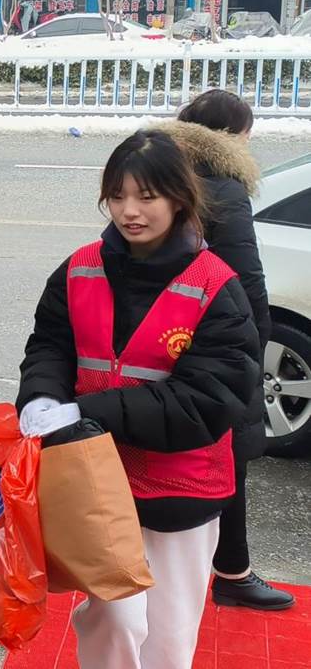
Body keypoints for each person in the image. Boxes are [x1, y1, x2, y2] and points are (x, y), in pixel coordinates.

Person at [18, 129, 260, 669]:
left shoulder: (216, 286)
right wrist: (39, 396)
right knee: (115, 617)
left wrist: (87, 411)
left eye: (146, 197)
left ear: (179, 198)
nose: (130, 211)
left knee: (168, 640)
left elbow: (206, 401)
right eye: (118, 196)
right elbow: (50, 346)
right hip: (99, 482)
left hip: (181, 490)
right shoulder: (80, 268)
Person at [164, 90, 294, 611]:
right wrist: (252, 347)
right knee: (228, 454)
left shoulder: (164, 172)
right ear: (232, 138)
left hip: (161, 331)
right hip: (214, 338)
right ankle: (232, 572)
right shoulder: (224, 186)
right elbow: (246, 280)